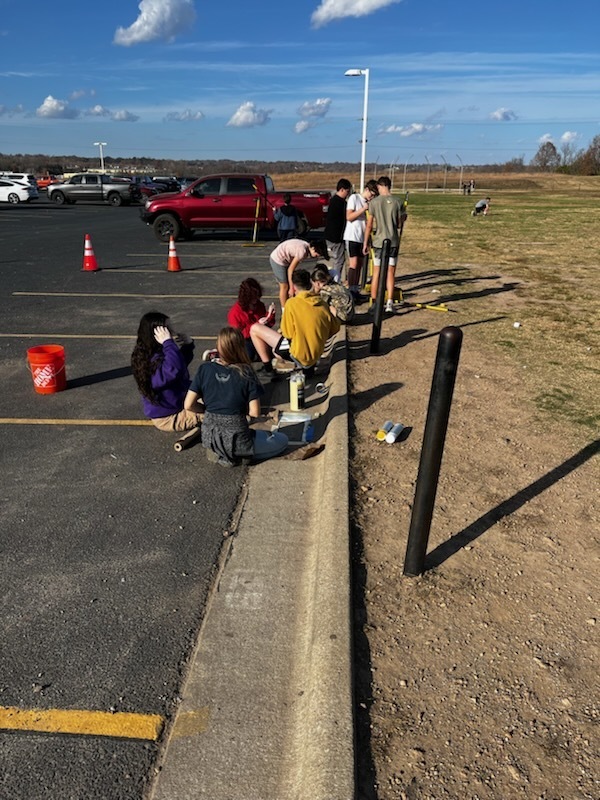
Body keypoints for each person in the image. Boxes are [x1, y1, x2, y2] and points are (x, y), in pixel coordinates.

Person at [184, 327, 288, 467]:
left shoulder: (205, 369)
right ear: (241, 347)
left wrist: (208, 410)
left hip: (211, 438)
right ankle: (241, 455)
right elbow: (255, 412)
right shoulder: (245, 372)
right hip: (238, 438)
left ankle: (221, 454)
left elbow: (188, 405)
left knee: (242, 440)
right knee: (282, 440)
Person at [250, 267, 341, 376]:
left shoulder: (291, 304)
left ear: (293, 286)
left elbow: (287, 333)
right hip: (316, 354)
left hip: (299, 354)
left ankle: (268, 368)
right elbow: (334, 328)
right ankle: (306, 367)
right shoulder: (322, 303)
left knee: (255, 329)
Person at [131, 311, 203, 432]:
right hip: (169, 417)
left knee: (215, 394)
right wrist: (168, 343)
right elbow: (173, 370)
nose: (172, 332)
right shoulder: (148, 362)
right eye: (167, 329)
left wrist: (188, 346)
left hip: (179, 403)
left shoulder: (155, 352)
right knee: (217, 415)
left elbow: (179, 364)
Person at [363, 175, 406, 313]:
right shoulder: (398, 202)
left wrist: (365, 242)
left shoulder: (374, 203)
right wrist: (403, 219)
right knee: (390, 273)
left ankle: (375, 302)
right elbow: (399, 225)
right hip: (393, 241)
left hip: (379, 242)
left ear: (381, 186)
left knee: (376, 273)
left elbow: (369, 225)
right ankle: (389, 303)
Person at [269, 237, 328, 310]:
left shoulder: (306, 246)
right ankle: (284, 310)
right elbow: (290, 270)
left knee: (291, 282)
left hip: (286, 259)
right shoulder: (302, 252)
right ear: (313, 248)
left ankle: (290, 306)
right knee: (284, 286)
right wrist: (291, 288)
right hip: (278, 259)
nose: (318, 255)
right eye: (317, 253)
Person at [343, 179, 379, 296]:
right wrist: (363, 209)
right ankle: (350, 288)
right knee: (353, 264)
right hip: (352, 236)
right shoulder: (355, 198)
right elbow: (349, 217)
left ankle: (355, 288)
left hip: (362, 237)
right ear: (367, 190)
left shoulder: (369, 203)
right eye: (371, 195)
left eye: (374, 196)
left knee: (360, 265)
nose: (371, 198)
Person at [227, 277, 276, 361]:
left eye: (257, 296)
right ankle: (221, 353)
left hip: (259, 337)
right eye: (253, 297)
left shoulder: (259, 305)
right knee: (249, 355)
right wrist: (257, 326)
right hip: (244, 340)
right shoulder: (235, 312)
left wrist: (269, 316)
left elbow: (267, 326)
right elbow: (238, 334)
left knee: (270, 352)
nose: (256, 299)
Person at [324, 178, 352, 282]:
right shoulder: (340, 203)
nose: (348, 194)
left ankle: (337, 278)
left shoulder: (333, 201)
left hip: (331, 235)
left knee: (337, 259)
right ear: (341, 190)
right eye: (347, 192)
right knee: (339, 260)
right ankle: (336, 280)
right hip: (336, 237)